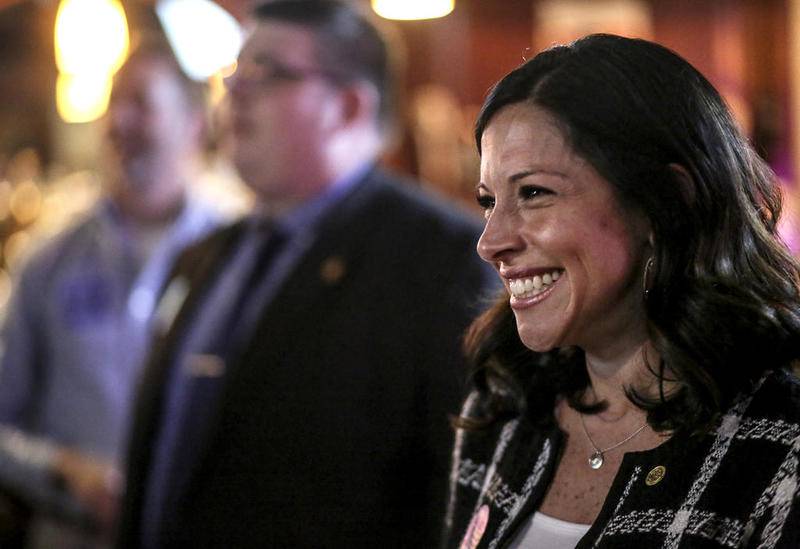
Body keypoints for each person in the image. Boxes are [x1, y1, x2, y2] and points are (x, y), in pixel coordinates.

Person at [115, 1, 495, 548]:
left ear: (346, 107)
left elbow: (459, 493)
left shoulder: (444, 261)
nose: (235, 92)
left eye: (267, 73)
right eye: (235, 72)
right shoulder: (203, 256)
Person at [444, 33, 800, 549]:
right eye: (488, 200)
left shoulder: (780, 441)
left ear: (667, 203)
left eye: (534, 193)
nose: (490, 241)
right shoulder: (503, 404)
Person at [0, 37, 219, 548]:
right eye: (113, 102)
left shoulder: (235, 261)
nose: (118, 121)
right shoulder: (47, 259)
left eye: (140, 103)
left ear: (195, 124)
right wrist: (61, 468)